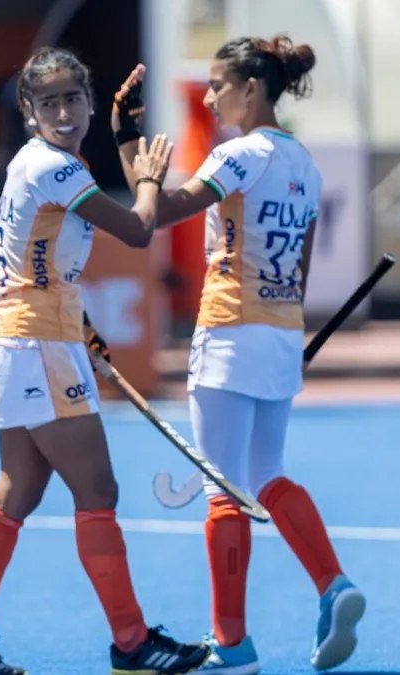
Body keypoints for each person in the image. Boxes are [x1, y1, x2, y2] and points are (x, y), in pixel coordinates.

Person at [0, 47, 210, 675]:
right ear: (29, 111)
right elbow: (138, 230)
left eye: (73, 99)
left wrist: (79, 329)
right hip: (38, 346)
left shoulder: (44, 162)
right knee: (97, 489)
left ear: (88, 101)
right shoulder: (53, 167)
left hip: (33, 339)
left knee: (18, 492)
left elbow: (40, 267)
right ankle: (132, 643)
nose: (63, 112)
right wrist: (145, 173)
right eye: (49, 102)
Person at [110, 35, 365, 673]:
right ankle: (333, 583)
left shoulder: (239, 154)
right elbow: (300, 269)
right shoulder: (304, 162)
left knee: (222, 487)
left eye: (218, 86)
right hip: (279, 332)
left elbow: (157, 213)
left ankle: (231, 642)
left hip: (228, 332)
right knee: (267, 474)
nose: (210, 98)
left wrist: (130, 149)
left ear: (251, 89)